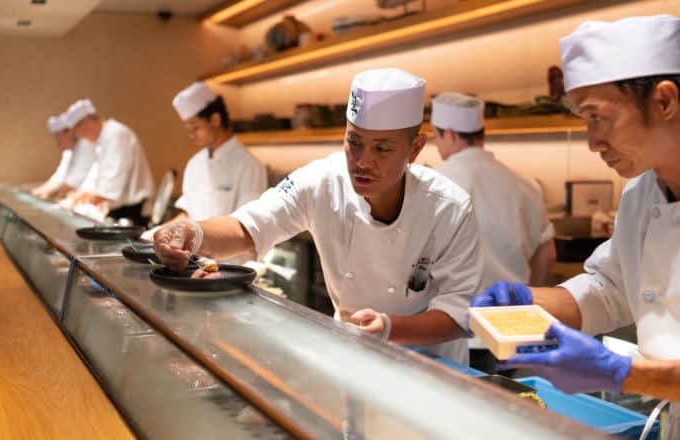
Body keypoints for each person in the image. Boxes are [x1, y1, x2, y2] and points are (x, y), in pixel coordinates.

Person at [154, 68, 484, 364]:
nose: (362, 161)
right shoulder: (321, 181)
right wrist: (191, 233)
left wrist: (389, 329)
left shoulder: (450, 208)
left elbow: (458, 314)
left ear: (414, 149)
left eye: (382, 148)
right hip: (354, 355)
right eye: (353, 142)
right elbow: (250, 225)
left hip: (433, 370)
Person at [470, 15, 680, 436]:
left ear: (664, 101)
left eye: (598, 117)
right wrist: (528, 301)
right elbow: (609, 289)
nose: (592, 142)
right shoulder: (642, 193)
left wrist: (621, 374)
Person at [431, 92, 556, 287]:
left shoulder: (433, 183)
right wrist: (526, 295)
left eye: (435, 136)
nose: (436, 143)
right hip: (512, 310)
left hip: (452, 311)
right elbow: (547, 254)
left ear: (449, 135)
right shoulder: (526, 184)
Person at [172, 82, 268, 222]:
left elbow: (248, 225)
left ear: (215, 119)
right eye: (188, 129)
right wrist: (159, 232)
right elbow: (188, 214)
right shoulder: (194, 163)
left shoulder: (249, 166)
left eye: (196, 127)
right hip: (195, 242)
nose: (191, 135)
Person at [65, 99, 155, 226]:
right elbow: (94, 176)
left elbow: (112, 182)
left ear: (86, 123)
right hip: (118, 209)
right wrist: (79, 195)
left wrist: (83, 199)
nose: (81, 137)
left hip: (132, 211)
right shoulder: (103, 139)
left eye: (77, 132)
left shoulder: (115, 134)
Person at [32, 112, 96, 200]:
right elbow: (59, 176)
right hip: (76, 195)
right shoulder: (68, 151)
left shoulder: (85, 145)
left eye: (57, 137)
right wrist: (36, 192)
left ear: (69, 132)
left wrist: (49, 196)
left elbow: (74, 182)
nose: (58, 143)